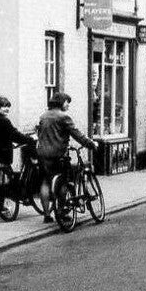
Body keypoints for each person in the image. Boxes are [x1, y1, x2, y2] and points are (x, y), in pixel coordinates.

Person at [36, 92, 98, 222]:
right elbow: (77, 135)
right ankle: (61, 212)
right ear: (61, 102)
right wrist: (91, 144)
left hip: (42, 155)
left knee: (45, 183)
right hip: (58, 155)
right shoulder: (64, 117)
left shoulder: (43, 116)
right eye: (66, 102)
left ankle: (47, 215)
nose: (68, 105)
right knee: (63, 183)